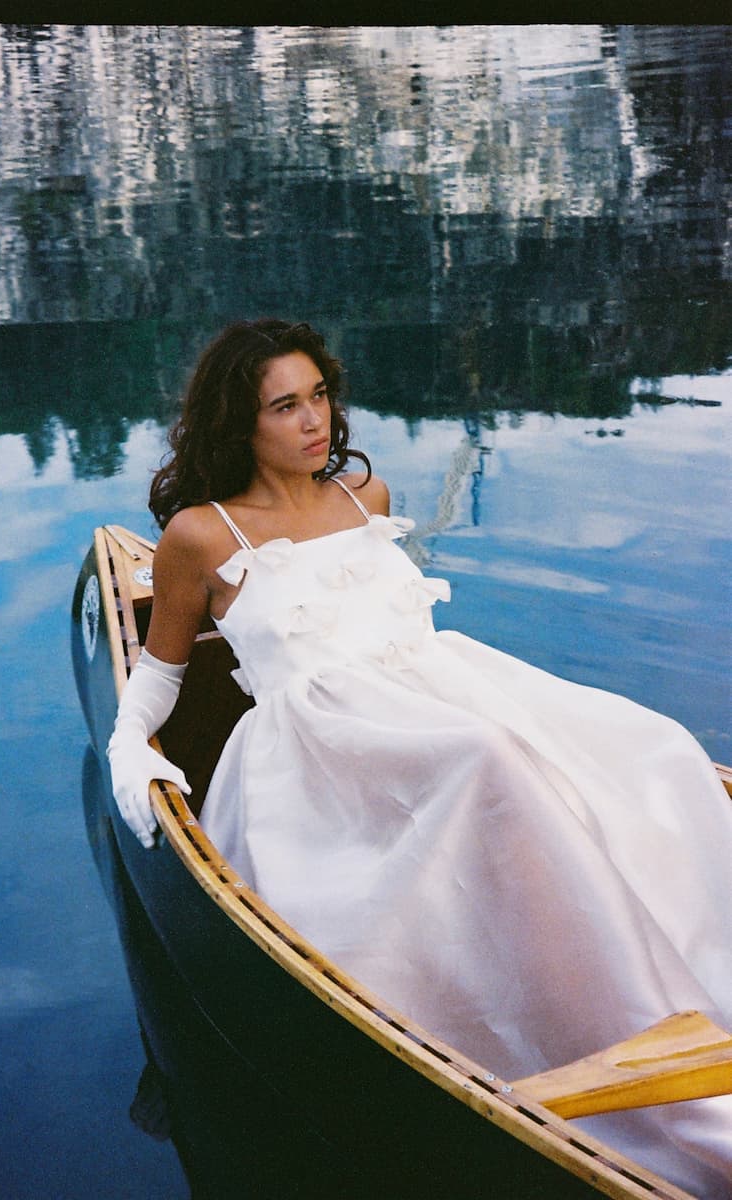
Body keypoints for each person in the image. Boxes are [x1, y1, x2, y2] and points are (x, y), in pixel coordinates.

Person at [107, 318, 732, 1195]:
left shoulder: (366, 494)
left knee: (656, 750)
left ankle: (667, 984)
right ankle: (590, 1020)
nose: (313, 421)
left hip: (438, 690)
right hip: (321, 751)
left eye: (318, 396)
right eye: (284, 407)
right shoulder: (201, 537)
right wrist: (130, 748)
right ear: (237, 424)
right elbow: (162, 671)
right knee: (485, 759)